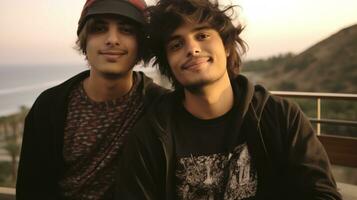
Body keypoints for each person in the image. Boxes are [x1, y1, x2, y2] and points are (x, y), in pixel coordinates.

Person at [116, 0, 342, 199]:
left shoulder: (279, 116)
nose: (192, 49)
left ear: (225, 46)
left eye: (202, 35)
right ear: (169, 64)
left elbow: (322, 194)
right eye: (176, 45)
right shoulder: (151, 135)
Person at [16, 0, 167, 199]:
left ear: (141, 43)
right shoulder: (49, 107)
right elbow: (31, 189)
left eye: (126, 30)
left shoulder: (159, 106)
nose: (112, 39)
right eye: (99, 28)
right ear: (84, 40)